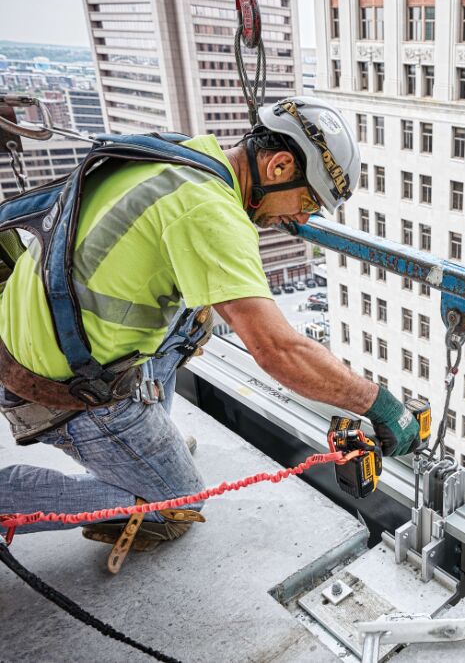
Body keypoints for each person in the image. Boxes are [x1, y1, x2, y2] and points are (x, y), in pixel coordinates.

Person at [0, 97, 421, 570]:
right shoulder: (209, 212)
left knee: (194, 316)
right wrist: (377, 403)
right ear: (280, 165)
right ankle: (10, 499)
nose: (301, 221)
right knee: (178, 502)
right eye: (307, 202)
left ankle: (150, 443)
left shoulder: (185, 155)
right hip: (61, 384)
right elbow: (279, 350)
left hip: (30, 329)